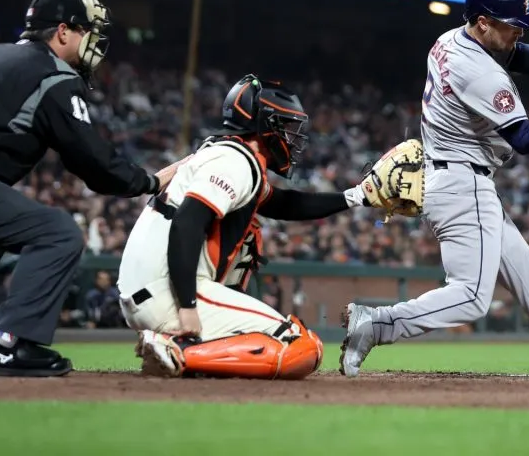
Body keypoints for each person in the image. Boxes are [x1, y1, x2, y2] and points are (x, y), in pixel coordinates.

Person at [339, 0, 529, 381]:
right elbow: (525, 139)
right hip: (463, 184)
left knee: (527, 273)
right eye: (511, 24)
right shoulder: (479, 71)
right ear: (482, 22)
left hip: (460, 178)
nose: (518, 32)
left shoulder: (452, 39)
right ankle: (377, 324)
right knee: (472, 298)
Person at [0, 0, 183, 377]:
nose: (90, 42)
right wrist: (147, 181)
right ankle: (12, 343)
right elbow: (92, 161)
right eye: (83, 31)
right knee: (59, 232)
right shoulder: (53, 75)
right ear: (62, 32)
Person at [121, 74, 397, 379]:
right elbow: (187, 222)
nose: (293, 138)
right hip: (170, 293)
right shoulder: (235, 161)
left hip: (150, 288)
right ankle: (177, 350)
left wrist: (356, 196)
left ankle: (176, 348)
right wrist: (187, 305)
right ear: (265, 125)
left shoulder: (228, 154)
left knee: (264, 342)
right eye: (286, 126)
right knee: (302, 346)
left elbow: (285, 204)